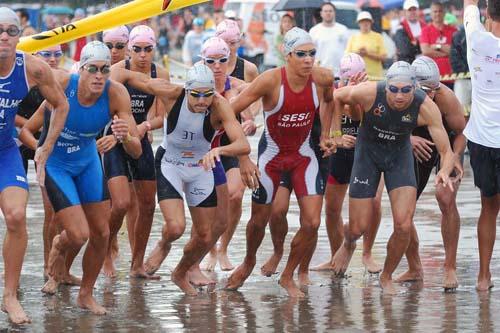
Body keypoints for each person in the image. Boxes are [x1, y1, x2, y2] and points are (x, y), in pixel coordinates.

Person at [121, 63, 252, 294]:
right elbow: (130, 77)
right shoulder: (172, 94)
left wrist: (219, 151)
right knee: (176, 228)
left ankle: (180, 272)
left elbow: (242, 143)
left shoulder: (219, 105)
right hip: (170, 163)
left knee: (205, 234)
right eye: (196, 95)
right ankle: (164, 244)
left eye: (207, 95)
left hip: (200, 167)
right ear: (186, 90)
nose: (202, 101)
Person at [330, 61, 460, 294]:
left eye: (406, 90)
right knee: (358, 227)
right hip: (367, 156)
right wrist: (336, 134)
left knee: (403, 224)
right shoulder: (371, 91)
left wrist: (444, 170)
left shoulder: (425, 105)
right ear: (386, 86)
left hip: (398, 158)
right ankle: (348, 243)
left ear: (415, 89)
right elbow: (337, 96)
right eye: (394, 90)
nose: (399, 96)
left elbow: (446, 150)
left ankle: (387, 275)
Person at [225, 27, 334, 297]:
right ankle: (249, 260)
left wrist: (328, 135)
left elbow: (330, 102)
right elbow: (229, 112)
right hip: (271, 157)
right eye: (301, 54)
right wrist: (243, 156)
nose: (308, 60)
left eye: (312, 54)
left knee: (312, 222)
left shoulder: (323, 78)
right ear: (287, 55)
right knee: (260, 219)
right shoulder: (270, 81)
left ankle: (288, 275)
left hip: (303, 156)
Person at [42, 41, 142, 314]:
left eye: (105, 69)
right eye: (93, 69)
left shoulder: (117, 94)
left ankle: (85, 294)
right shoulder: (63, 82)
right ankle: (59, 243)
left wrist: (125, 136)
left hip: (87, 162)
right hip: (58, 163)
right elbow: (30, 113)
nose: (99, 75)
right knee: (77, 234)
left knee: (101, 232)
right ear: (82, 69)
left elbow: (136, 151)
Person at [0, 7, 69, 324]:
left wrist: (47, 146)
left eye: (11, 31)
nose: (4, 36)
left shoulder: (32, 69)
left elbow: (61, 103)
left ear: (20, 35)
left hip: (5, 151)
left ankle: (10, 296)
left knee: (16, 216)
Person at [393, 56, 466, 290]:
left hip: (448, 143)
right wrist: (407, 139)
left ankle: (450, 267)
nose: (431, 95)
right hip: (416, 143)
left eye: (435, 89)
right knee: (404, 211)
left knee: (445, 197)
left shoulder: (447, 99)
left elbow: (462, 132)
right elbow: (384, 129)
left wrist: (455, 157)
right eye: (426, 90)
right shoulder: (400, 93)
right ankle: (415, 268)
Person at [103, 25, 169, 279]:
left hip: (141, 136)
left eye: (148, 49)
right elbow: (107, 108)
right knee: (120, 204)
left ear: (154, 49)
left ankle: (137, 264)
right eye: (137, 49)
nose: (142, 55)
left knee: (148, 206)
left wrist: (144, 126)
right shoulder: (117, 71)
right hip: (116, 134)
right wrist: (129, 128)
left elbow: (164, 115)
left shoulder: (160, 72)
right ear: (129, 49)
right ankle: (107, 253)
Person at [200, 19, 259, 271]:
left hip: (233, 138)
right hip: (208, 140)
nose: (228, 50)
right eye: (224, 44)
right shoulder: (202, 69)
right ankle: (210, 250)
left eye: (233, 44)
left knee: (235, 195)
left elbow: (255, 98)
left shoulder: (247, 69)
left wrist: (251, 119)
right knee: (208, 197)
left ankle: (223, 248)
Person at [15, 44, 64, 280]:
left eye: (57, 54)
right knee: (15, 211)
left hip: (44, 144)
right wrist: (34, 123)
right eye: (47, 54)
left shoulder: (62, 81)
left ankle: (50, 265)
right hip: (14, 143)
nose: (52, 59)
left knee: (52, 210)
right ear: (36, 56)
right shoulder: (24, 77)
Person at [462, 0, 500, 291]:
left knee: (488, 208)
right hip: (486, 138)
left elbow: (469, 3)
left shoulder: (475, 36)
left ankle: (484, 276)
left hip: (481, 139)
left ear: (488, 12)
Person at [419, 2, 457, 89]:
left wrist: (437, 46)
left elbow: (455, 51)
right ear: (431, 14)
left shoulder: (453, 30)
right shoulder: (425, 30)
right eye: (435, 11)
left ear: (444, 13)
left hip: (451, 76)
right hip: (432, 77)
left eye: (440, 11)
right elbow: (426, 51)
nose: (437, 14)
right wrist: (446, 52)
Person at [309, 2, 348, 75]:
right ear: (321, 13)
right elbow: (310, 52)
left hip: (340, 74)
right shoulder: (314, 31)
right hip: (320, 73)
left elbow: (348, 50)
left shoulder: (343, 29)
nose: (328, 13)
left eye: (330, 11)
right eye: (325, 11)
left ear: (334, 13)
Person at [346, 11, 387, 79]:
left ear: (371, 22)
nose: (365, 23)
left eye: (367, 21)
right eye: (362, 21)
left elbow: (383, 57)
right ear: (358, 23)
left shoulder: (378, 37)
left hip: (375, 77)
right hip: (357, 78)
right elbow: (347, 57)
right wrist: (358, 54)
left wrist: (367, 54)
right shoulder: (353, 37)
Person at [450, 25, 471, 118]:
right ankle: (463, 132)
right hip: (462, 79)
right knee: (462, 112)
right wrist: (467, 72)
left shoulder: (484, 35)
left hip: (480, 80)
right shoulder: (458, 35)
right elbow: (454, 58)